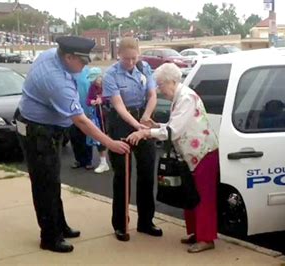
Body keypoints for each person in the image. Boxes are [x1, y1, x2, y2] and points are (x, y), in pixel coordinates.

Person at [15, 36, 130, 253]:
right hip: (37, 130)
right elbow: (80, 120)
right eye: (83, 61)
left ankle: (59, 225)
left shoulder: (54, 55)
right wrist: (109, 143)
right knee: (44, 184)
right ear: (68, 57)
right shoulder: (56, 79)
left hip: (48, 126)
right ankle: (49, 237)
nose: (86, 65)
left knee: (53, 179)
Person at [126, 63, 220, 253]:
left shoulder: (185, 97)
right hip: (191, 155)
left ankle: (206, 238)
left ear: (171, 81)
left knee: (202, 197)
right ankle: (196, 233)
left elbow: (174, 131)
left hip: (202, 153)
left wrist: (146, 133)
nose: (159, 90)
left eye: (160, 85)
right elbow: (176, 124)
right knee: (190, 195)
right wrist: (156, 125)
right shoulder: (181, 97)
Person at [102, 37, 161, 242]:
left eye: (133, 58)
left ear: (139, 55)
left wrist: (145, 117)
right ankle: (120, 224)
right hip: (121, 121)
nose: (130, 62)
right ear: (119, 55)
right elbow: (118, 105)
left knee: (146, 172)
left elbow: (152, 95)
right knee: (122, 175)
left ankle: (146, 221)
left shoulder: (144, 68)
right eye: (126, 59)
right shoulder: (110, 74)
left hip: (142, 117)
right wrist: (137, 126)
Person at [69, 66, 94, 170]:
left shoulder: (88, 72)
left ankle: (88, 160)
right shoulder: (68, 72)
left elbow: (94, 90)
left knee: (87, 136)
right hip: (71, 110)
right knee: (74, 136)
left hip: (86, 109)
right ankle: (78, 159)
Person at [86, 67, 110, 173]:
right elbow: (88, 100)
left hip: (110, 116)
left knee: (113, 137)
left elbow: (112, 97)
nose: (94, 81)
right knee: (99, 139)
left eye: (95, 79)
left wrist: (103, 99)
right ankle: (103, 162)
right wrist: (92, 102)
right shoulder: (92, 87)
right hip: (98, 116)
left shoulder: (108, 84)